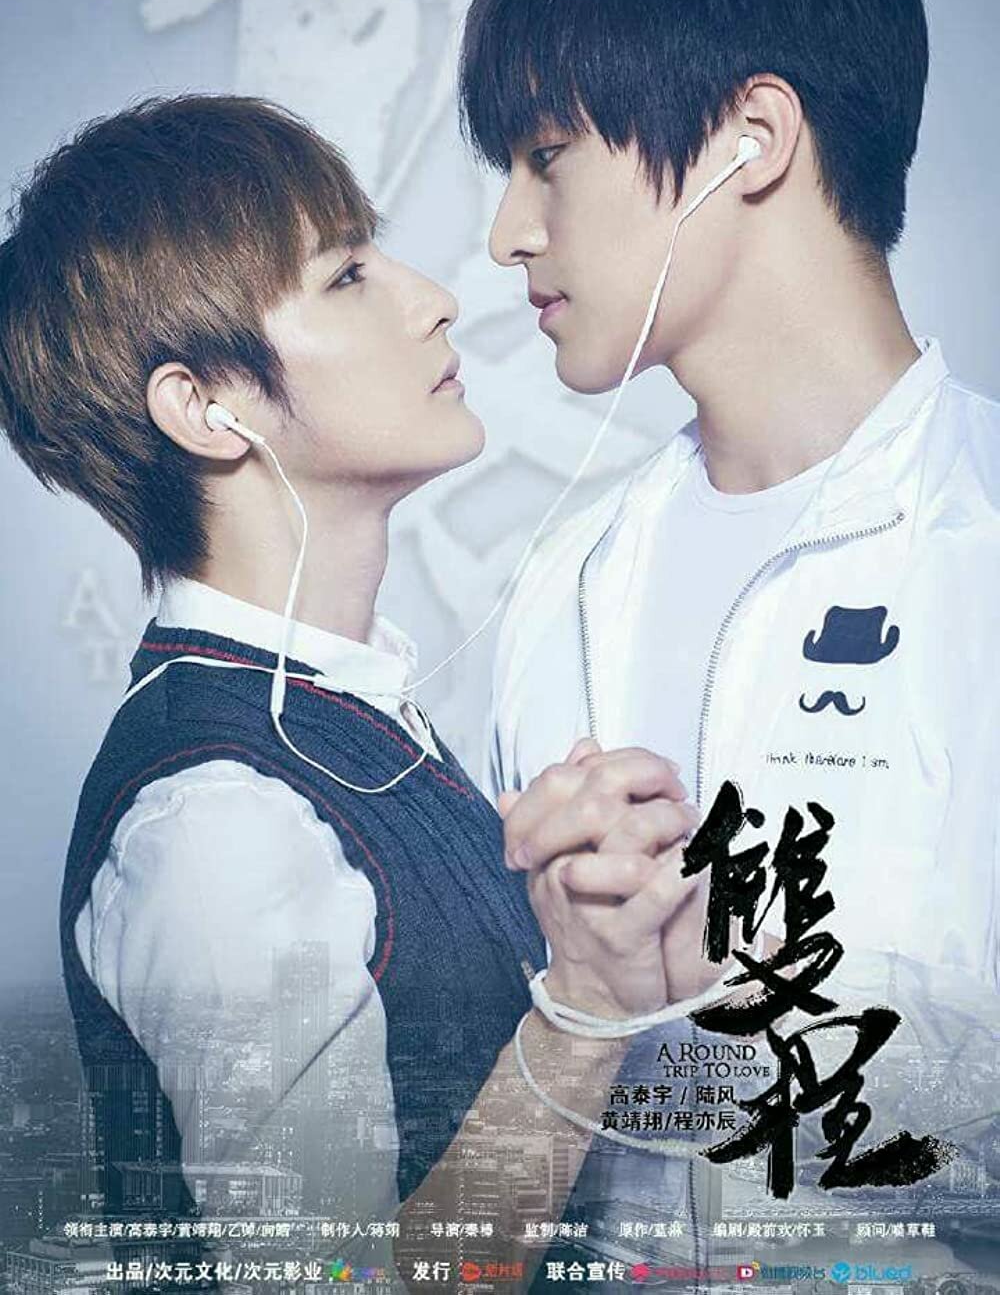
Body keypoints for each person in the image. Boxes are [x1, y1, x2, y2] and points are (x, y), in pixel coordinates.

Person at [0, 95, 714, 1291]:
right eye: (345, 278)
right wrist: (583, 1005)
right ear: (206, 408)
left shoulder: (339, 717)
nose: (434, 298)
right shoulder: (215, 817)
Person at [460, 0, 1000, 1281]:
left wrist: (722, 991)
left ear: (749, 139)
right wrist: (589, 1002)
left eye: (546, 155)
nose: (507, 233)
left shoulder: (983, 540)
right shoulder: (565, 580)